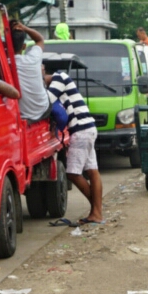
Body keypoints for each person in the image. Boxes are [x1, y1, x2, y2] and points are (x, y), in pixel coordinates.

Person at [44, 63, 103, 226]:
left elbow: (45, 101)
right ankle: (97, 212)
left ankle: (97, 211)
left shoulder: (58, 78)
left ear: (44, 71)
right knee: (92, 172)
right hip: (88, 128)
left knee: (73, 173)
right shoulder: (62, 80)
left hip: (81, 130)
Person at [10, 23, 48, 122]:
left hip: (18, 113)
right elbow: (40, 39)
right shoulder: (33, 58)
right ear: (24, 46)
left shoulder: (2, 64)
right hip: (41, 109)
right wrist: (25, 28)